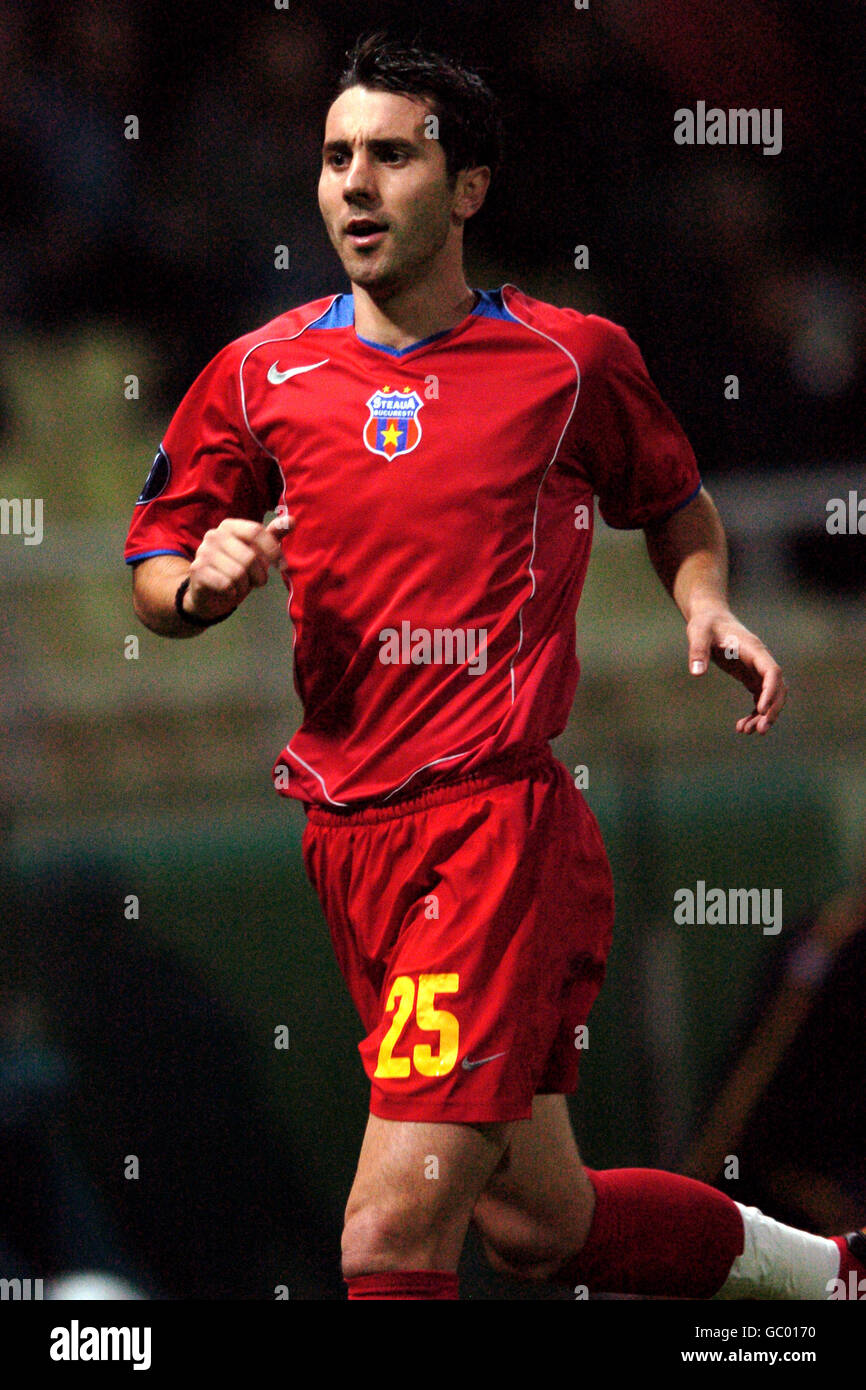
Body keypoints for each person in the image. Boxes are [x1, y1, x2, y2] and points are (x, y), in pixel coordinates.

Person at [125, 34, 863, 1301]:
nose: (354, 183)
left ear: (466, 187)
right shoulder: (259, 375)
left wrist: (706, 604)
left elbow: (673, 502)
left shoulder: (567, 359)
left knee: (385, 1240)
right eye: (335, 157)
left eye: (391, 156)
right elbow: (157, 566)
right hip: (347, 836)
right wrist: (198, 585)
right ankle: (834, 1279)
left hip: (490, 836)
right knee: (539, 1224)